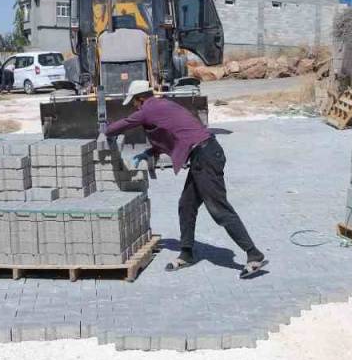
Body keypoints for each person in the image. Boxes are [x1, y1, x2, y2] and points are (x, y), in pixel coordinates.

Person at [104, 81, 267, 279]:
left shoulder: (149, 109)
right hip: (204, 155)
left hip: (205, 156)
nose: (134, 106)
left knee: (219, 209)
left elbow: (125, 124)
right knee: (186, 205)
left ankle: (254, 254)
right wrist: (150, 152)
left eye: (134, 102)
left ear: (140, 98)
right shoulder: (163, 104)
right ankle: (187, 253)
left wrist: (106, 131)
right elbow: (173, 132)